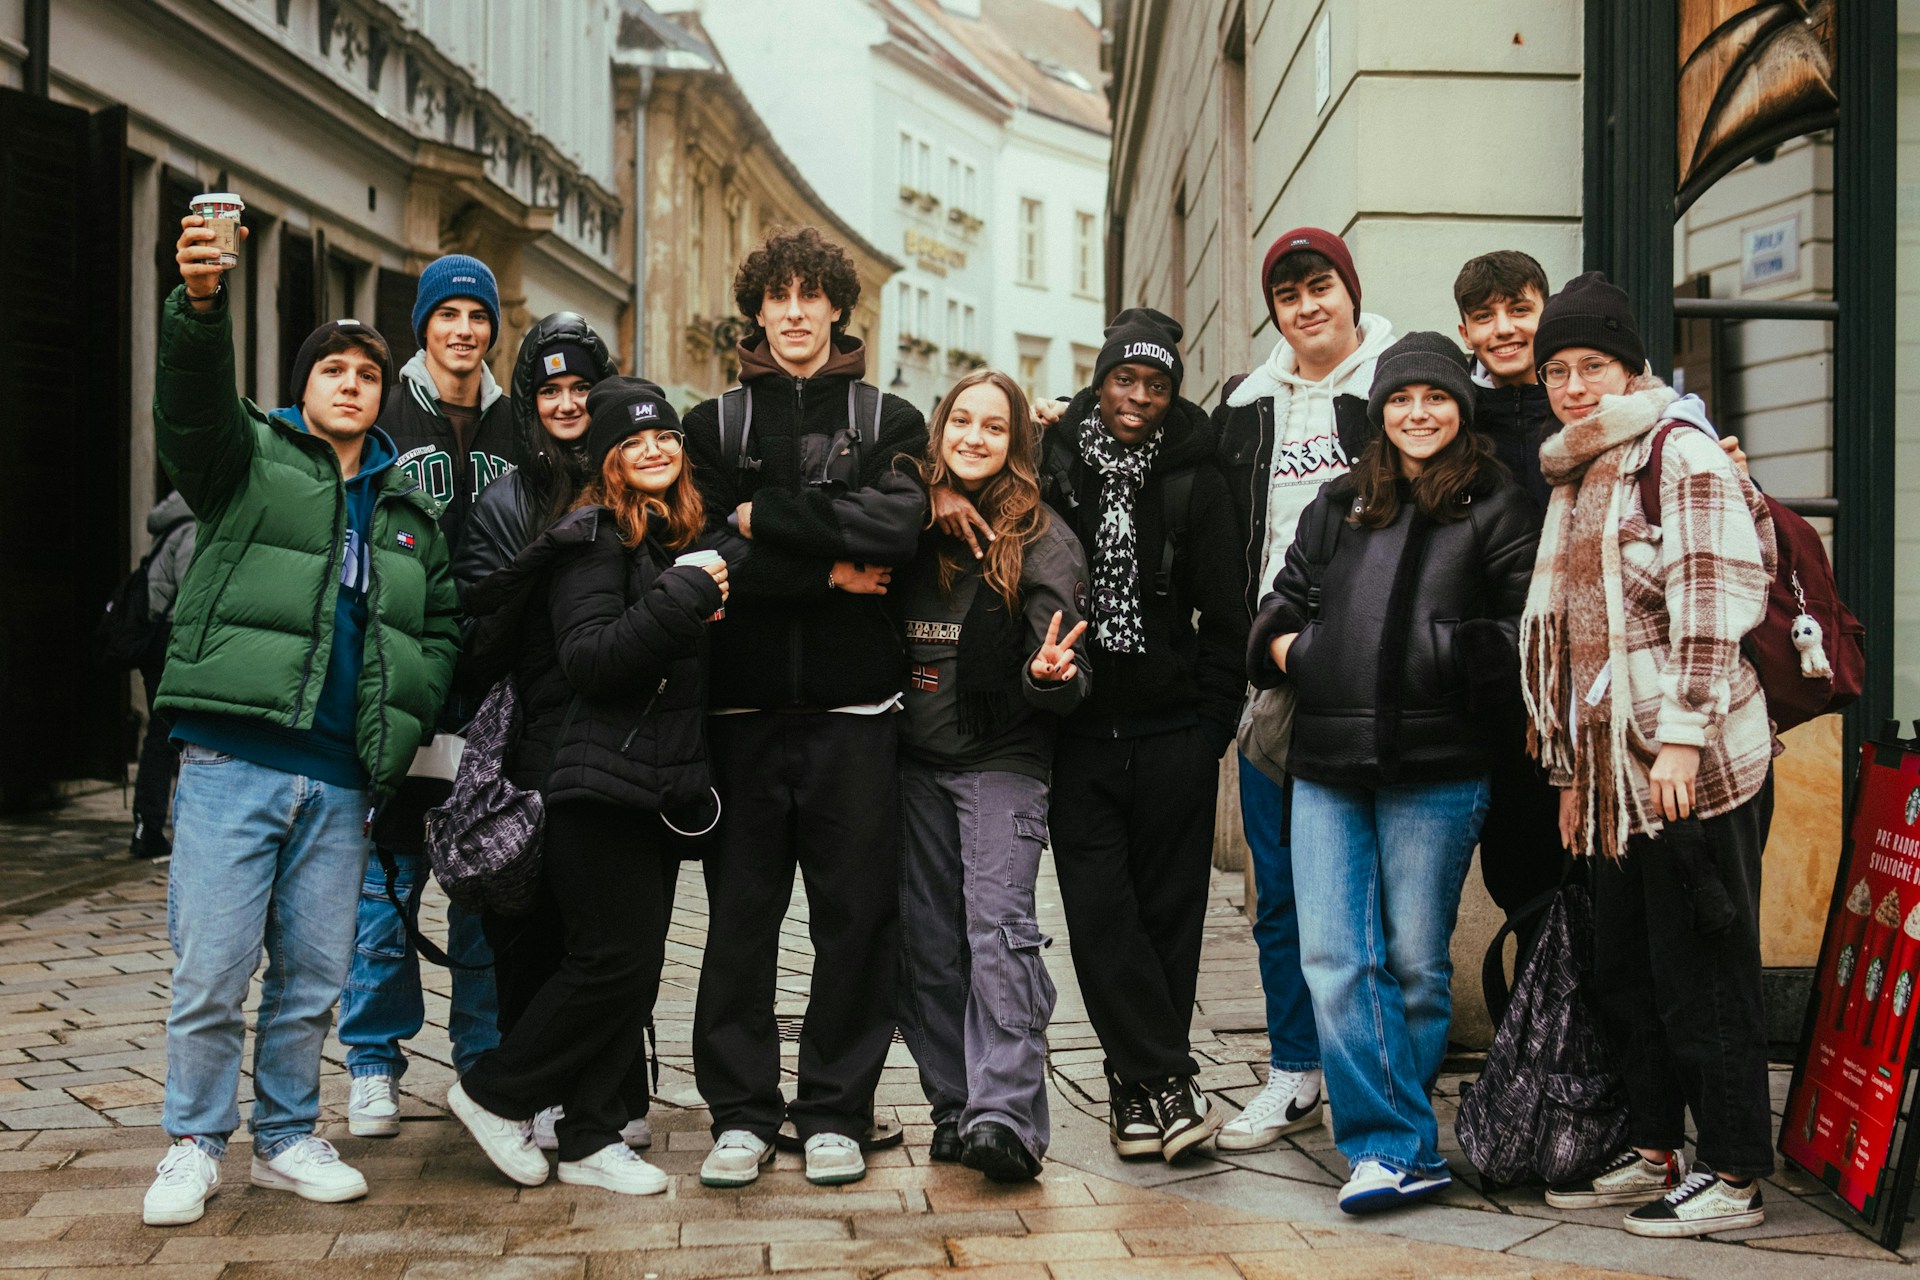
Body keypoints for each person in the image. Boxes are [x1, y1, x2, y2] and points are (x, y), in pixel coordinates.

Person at [143, 216, 459, 1226]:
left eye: (368, 371)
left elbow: (440, 622)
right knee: (212, 967)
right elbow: (190, 409)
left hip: (339, 776)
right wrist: (199, 307)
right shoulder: (250, 459)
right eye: (334, 368)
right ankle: (193, 1141)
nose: (352, 383)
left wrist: (398, 733)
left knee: (314, 974)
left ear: (384, 392)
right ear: (305, 385)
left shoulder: (408, 506)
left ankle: (285, 1136)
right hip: (237, 754)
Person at [1248, 332, 1538, 1212]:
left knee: (1414, 964)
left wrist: (1429, 655)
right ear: (1380, 412)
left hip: (1441, 765)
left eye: (1437, 399)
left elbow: (1527, 631)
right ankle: (1392, 1145)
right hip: (1328, 762)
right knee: (1336, 956)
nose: (1419, 413)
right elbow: (1279, 603)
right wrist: (1308, 652)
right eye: (1402, 400)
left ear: (1461, 409)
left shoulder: (1496, 503)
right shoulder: (1339, 503)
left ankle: (1397, 1143)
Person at [1521, 273, 1777, 1238]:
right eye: (1558, 370)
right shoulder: (1578, 467)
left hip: (1694, 767)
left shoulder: (1681, 453)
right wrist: (1574, 773)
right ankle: (1658, 1146)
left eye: (1593, 366)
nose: (1575, 386)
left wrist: (1678, 740)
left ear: (1632, 366)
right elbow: (1579, 644)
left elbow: (1715, 608)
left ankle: (1738, 1172)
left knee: (1704, 969)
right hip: (1615, 779)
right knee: (1631, 967)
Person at [681, 227, 928, 1189]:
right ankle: (741, 1115)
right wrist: (826, 564)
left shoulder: (889, 419)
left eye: (809, 296)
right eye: (775, 297)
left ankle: (835, 1111)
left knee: (856, 921)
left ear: (837, 307)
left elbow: (899, 529)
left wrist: (763, 519)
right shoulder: (714, 428)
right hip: (739, 716)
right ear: (757, 310)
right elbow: (701, 556)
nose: (792, 313)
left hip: (857, 712)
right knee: (739, 922)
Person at [446, 377, 726, 1196]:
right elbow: (592, 658)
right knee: (608, 960)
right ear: (606, 459)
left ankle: (594, 1136)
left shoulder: (671, 540)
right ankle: (495, 1092)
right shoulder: (595, 539)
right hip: (589, 784)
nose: (653, 449)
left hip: (644, 786)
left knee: (632, 970)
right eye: (632, 441)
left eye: (665, 436)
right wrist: (683, 597)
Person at [1034, 308, 1248, 1162]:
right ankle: (1169, 1078)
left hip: (1172, 735)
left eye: (1156, 385)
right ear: (1100, 380)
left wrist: (1211, 730)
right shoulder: (1056, 463)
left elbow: (1228, 616)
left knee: (1170, 919)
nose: (1138, 398)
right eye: (1124, 380)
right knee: (1099, 917)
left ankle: (1134, 1097)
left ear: (1172, 394)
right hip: (1078, 732)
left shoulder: (1198, 477)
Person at [1211, 229, 1395, 1151]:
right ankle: (1294, 1072)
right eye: (1289, 295)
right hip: (1275, 681)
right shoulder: (1245, 407)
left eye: (1322, 287)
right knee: (1278, 892)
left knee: (1375, 899)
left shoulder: (1399, 390)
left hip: (1380, 683)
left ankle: (1378, 1078)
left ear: (1350, 294)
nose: (1308, 306)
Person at [451, 313, 642, 1154]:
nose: (568, 404)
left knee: (609, 933)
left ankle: (604, 1102)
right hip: (532, 738)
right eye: (551, 391)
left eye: (582, 389)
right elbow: (477, 634)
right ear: (529, 404)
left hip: (624, 736)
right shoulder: (504, 501)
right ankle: (519, 1101)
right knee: (534, 934)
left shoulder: (637, 477)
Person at [895, 369, 1090, 1184]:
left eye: (995, 427)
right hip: (911, 763)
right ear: (939, 430)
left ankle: (1007, 1116)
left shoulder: (1043, 535)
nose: (974, 438)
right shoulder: (906, 515)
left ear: (1019, 443)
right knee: (925, 947)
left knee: (998, 935)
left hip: (1002, 759)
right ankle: (955, 1107)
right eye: (961, 422)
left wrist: (1048, 677)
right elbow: (872, 477)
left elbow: (1072, 673)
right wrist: (925, 494)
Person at [341, 254, 517, 1140]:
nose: (463, 329)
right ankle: (373, 1062)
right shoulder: (387, 409)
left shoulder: (513, 421)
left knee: (483, 882)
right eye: (446, 313)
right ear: (425, 326)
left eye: (476, 315)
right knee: (388, 880)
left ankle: (482, 1064)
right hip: (401, 679)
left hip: (487, 690)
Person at [130, 490, 196, 860]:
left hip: (158, 639)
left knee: (162, 734)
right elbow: (194, 594)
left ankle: (148, 825)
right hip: (172, 639)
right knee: (165, 736)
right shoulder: (193, 528)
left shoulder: (172, 525)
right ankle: (148, 828)